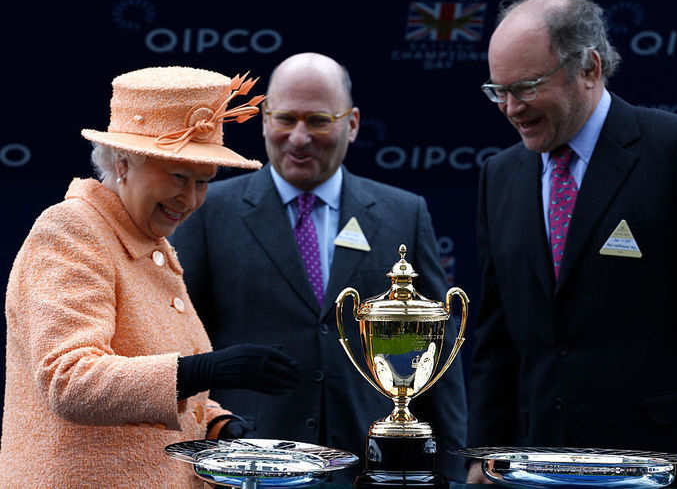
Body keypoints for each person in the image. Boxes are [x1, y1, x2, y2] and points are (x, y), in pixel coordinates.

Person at [170, 52, 468, 482]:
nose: (298, 137)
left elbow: (441, 351)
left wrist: (454, 468)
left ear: (353, 123)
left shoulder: (404, 214)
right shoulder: (208, 212)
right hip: (250, 466)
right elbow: (179, 343)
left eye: (318, 120)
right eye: (285, 119)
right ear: (264, 119)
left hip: (375, 465)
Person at [0, 66, 301, 488]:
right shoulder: (71, 229)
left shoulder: (150, 242)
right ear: (123, 164)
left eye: (203, 182)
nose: (191, 199)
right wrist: (206, 369)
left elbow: (150, 379)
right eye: (179, 176)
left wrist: (216, 426)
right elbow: (69, 382)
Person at [467, 0, 677, 484]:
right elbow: (495, 339)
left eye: (526, 87)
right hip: (535, 468)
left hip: (658, 466)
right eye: (498, 91)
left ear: (589, 68)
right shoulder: (500, 176)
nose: (510, 108)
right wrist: (484, 456)